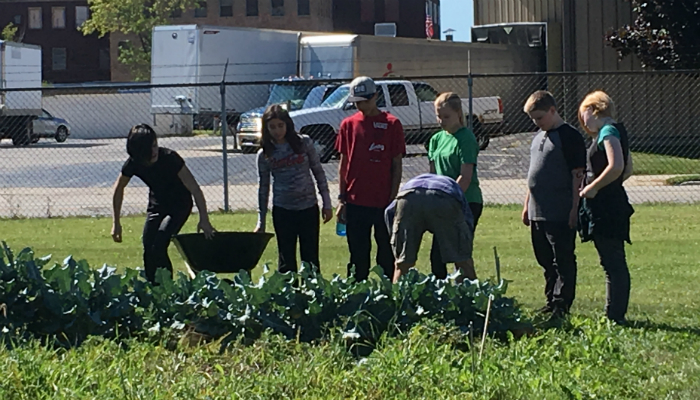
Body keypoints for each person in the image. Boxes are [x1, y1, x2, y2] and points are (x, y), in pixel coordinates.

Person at [111, 124, 216, 283]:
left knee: (159, 244)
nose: (154, 152)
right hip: (157, 205)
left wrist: (204, 219)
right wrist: (116, 223)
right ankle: (153, 288)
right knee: (148, 246)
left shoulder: (170, 158)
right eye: (148, 148)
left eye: (155, 145)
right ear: (138, 151)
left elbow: (194, 188)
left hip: (179, 205)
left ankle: (166, 289)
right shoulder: (134, 163)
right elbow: (118, 189)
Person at [522, 90, 587, 319]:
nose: (537, 123)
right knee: (544, 258)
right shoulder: (539, 136)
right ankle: (550, 299)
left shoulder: (569, 137)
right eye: (533, 119)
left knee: (562, 258)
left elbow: (577, 175)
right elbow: (533, 175)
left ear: (552, 110)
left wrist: (573, 208)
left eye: (540, 117)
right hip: (537, 210)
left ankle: (562, 304)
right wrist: (526, 204)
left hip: (559, 210)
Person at [335, 76, 405, 282]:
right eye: (357, 101)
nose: (361, 105)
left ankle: (386, 294)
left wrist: (393, 199)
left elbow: (396, 164)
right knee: (358, 255)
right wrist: (342, 199)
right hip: (355, 201)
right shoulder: (348, 125)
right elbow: (344, 164)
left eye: (365, 100)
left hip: (383, 202)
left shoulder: (392, 124)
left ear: (375, 96)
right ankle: (357, 295)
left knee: (385, 252)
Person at [255, 104, 333, 273]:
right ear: (266, 128)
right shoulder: (265, 154)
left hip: (308, 207)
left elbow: (318, 172)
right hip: (283, 210)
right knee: (286, 258)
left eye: (280, 125)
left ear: (288, 125)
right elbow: (263, 187)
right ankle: (289, 295)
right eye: (272, 127)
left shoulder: (303, 143)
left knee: (310, 257)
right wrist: (261, 220)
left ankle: (312, 293)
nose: (277, 131)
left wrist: (327, 203)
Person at [578, 90, 634, 325]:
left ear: (593, 110)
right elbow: (628, 169)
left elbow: (617, 166)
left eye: (583, 116)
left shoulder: (608, 132)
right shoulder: (617, 130)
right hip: (613, 202)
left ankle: (614, 315)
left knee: (613, 262)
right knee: (612, 260)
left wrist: (594, 188)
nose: (583, 122)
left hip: (606, 207)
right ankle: (614, 312)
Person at [427, 92, 483, 279]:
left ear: (459, 113)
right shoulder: (436, 140)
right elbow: (433, 175)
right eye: (438, 116)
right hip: (442, 203)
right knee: (437, 256)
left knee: (460, 255)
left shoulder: (466, 138)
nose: (441, 121)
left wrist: (449, 200)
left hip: (466, 201)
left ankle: (472, 296)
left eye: (446, 116)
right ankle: (440, 298)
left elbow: (465, 177)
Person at [385, 173, 476, 284]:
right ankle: (471, 297)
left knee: (402, 263)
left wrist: (397, 244)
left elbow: (389, 212)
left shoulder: (416, 181)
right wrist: (464, 247)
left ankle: (398, 298)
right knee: (463, 261)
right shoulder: (457, 193)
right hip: (443, 197)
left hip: (408, 196)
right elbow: (467, 222)